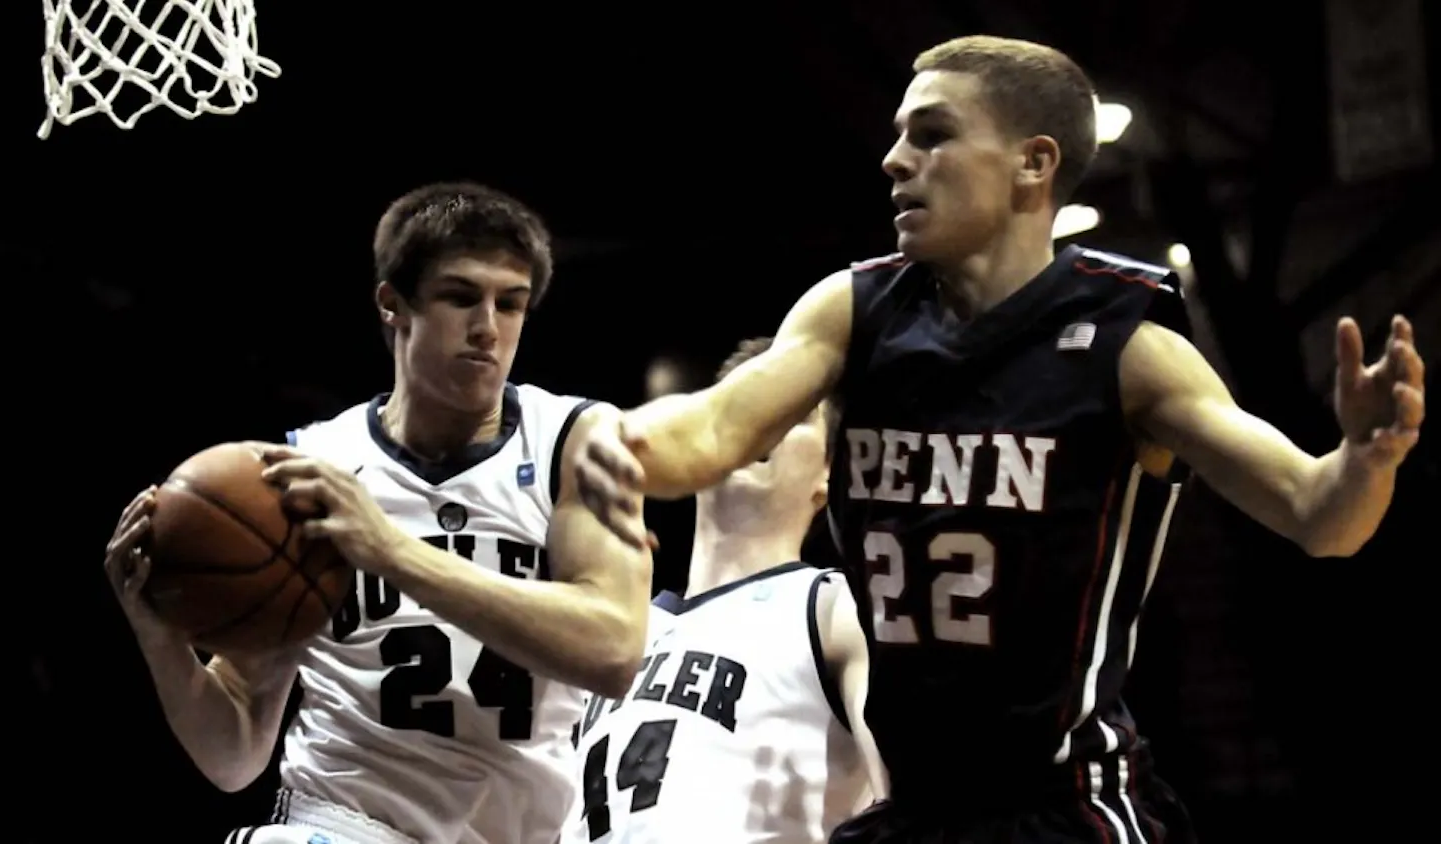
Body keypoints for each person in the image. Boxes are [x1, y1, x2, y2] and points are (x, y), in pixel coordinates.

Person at [566, 35, 1427, 844]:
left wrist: (1366, 458)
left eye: (932, 135)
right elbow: (719, 425)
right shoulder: (853, 311)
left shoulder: (1129, 348)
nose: (894, 159)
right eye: (897, 135)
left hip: (1061, 804)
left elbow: (1321, 517)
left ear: (1033, 163)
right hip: (912, 807)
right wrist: (622, 440)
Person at [101, 181, 653, 844]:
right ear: (393, 304)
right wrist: (162, 639)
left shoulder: (576, 442)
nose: (488, 327)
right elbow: (235, 755)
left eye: (511, 303)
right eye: (460, 297)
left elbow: (613, 650)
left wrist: (390, 551)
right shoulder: (311, 467)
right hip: (343, 822)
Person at [560, 337, 886, 844]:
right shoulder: (618, 636)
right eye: (745, 408)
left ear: (828, 473)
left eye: (790, 415)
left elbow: (915, 807)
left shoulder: (835, 609)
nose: (761, 426)